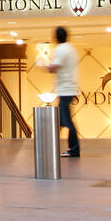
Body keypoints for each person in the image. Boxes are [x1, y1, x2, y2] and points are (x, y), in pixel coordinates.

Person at [44, 26, 81, 158]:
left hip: (65, 89)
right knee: (60, 120)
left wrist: (45, 66)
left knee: (66, 121)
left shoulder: (60, 49)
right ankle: (51, 146)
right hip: (71, 88)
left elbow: (54, 67)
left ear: (56, 37)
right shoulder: (71, 48)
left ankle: (74, 149)